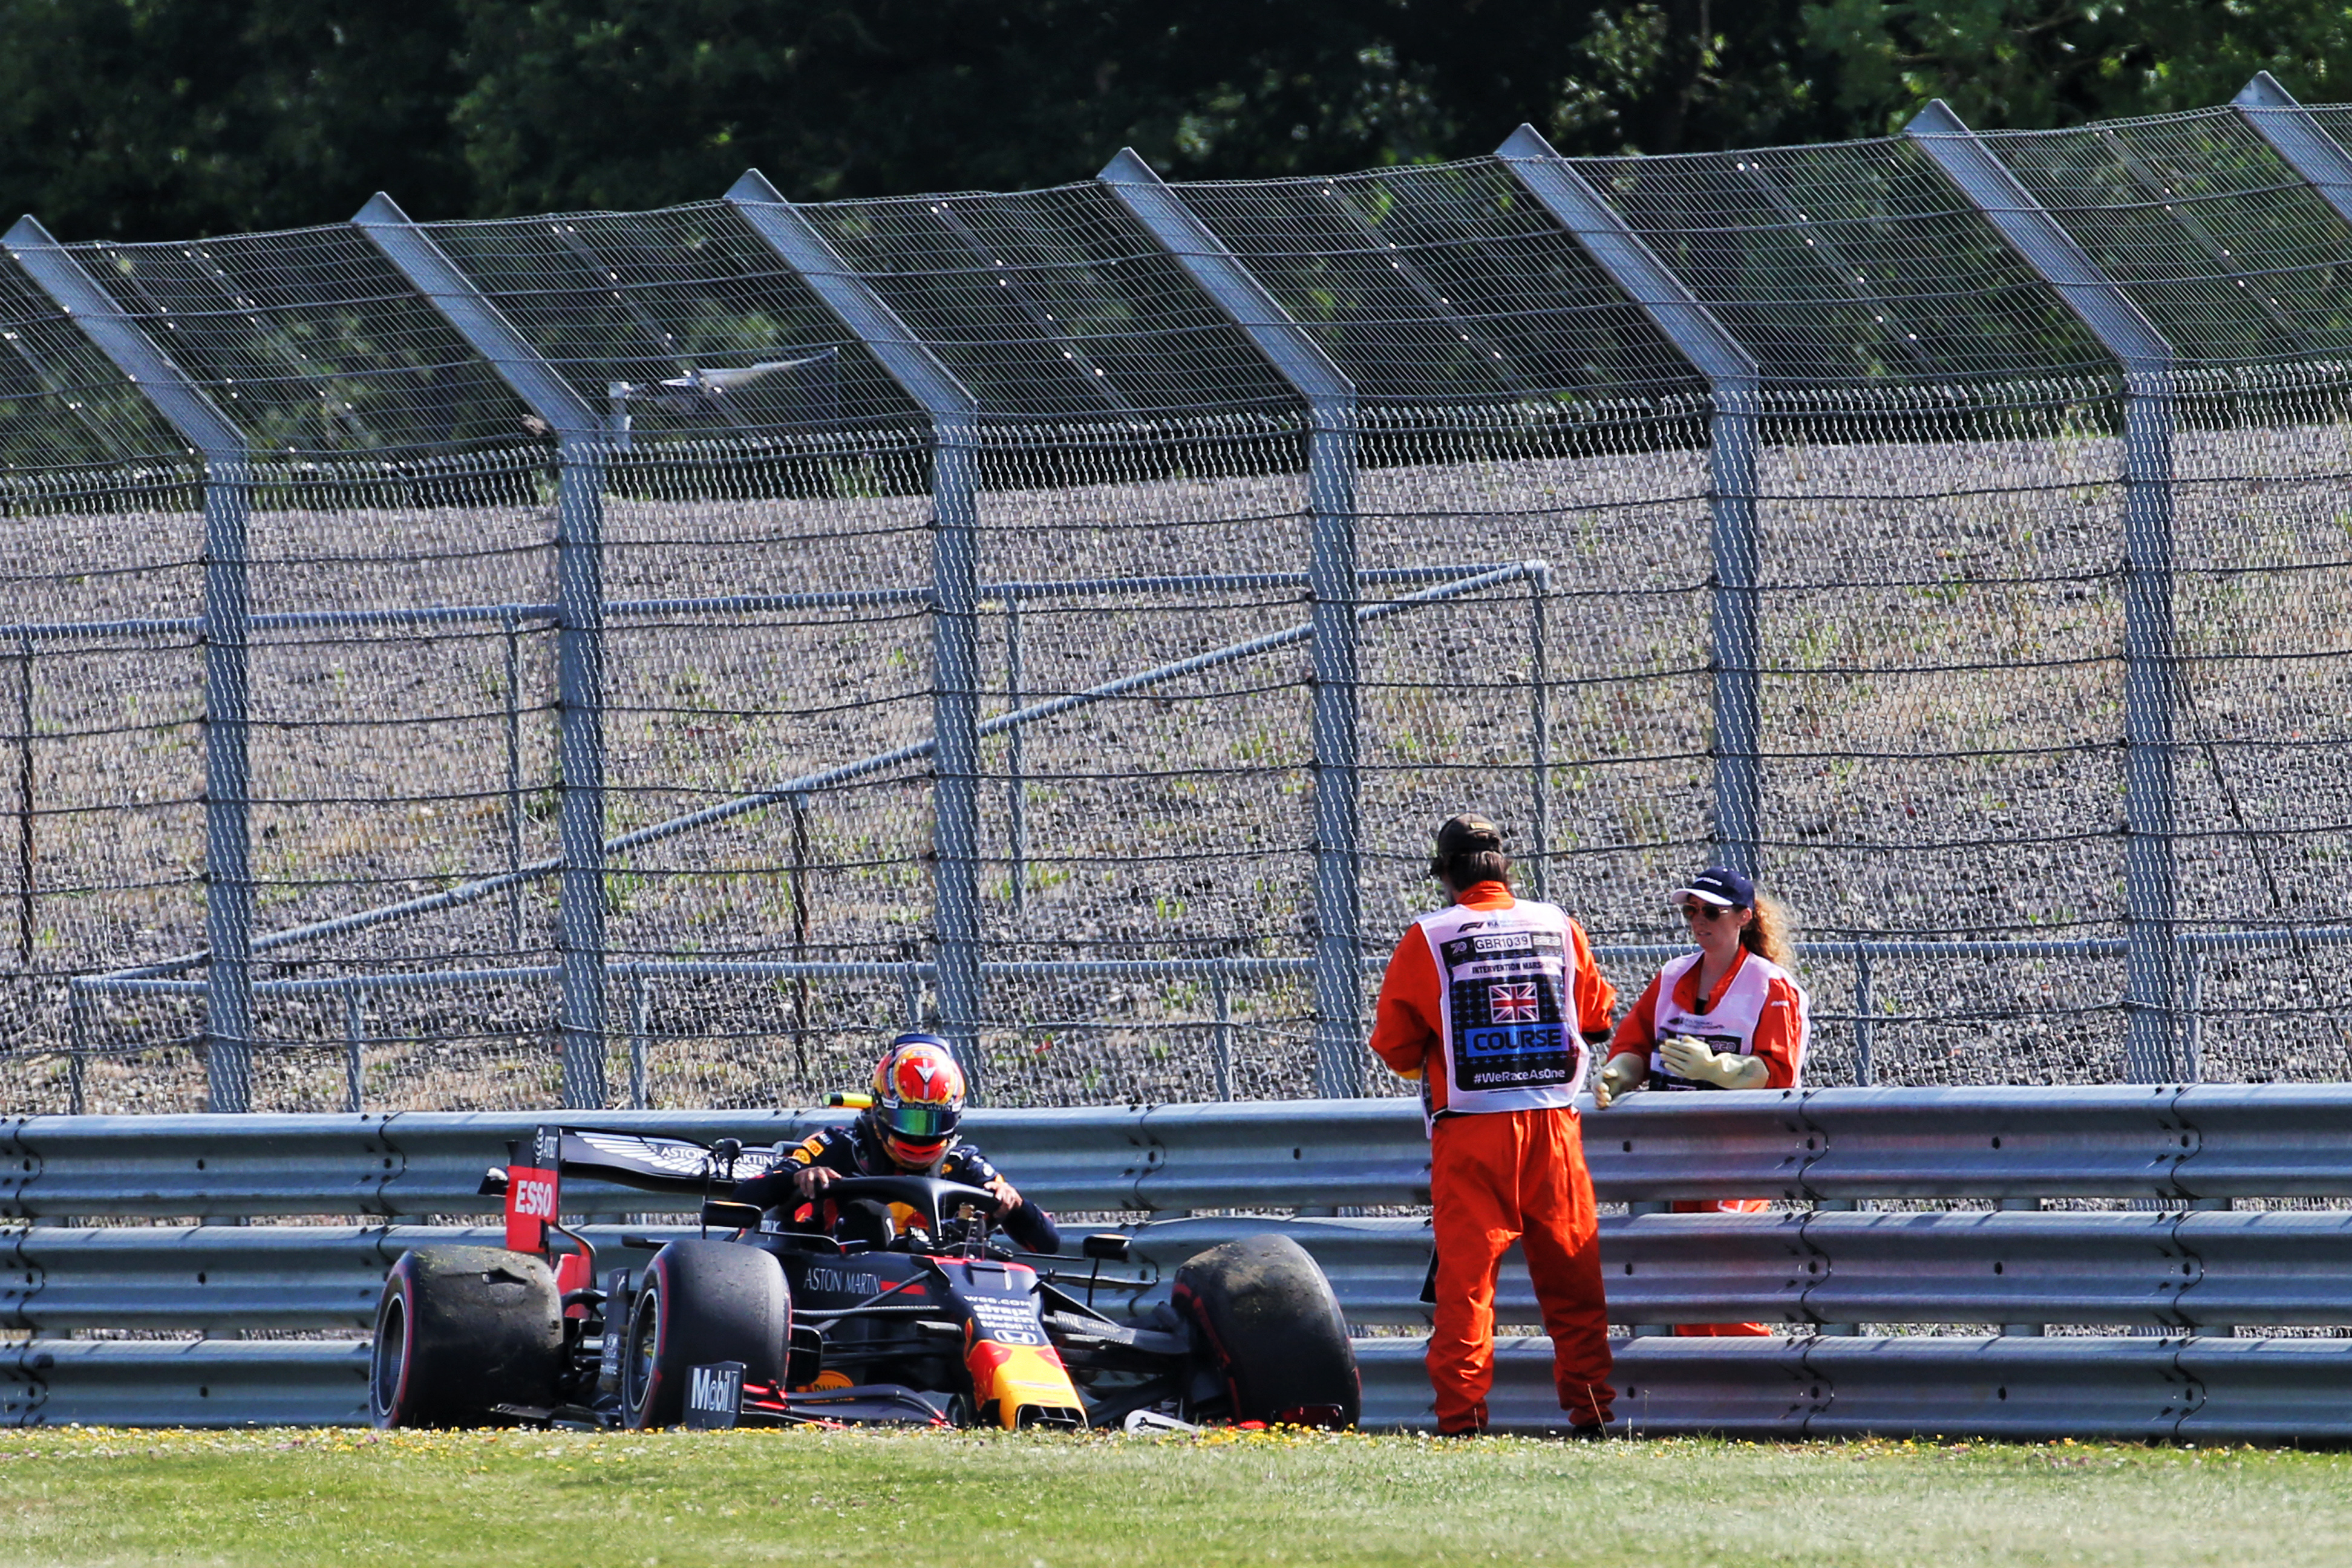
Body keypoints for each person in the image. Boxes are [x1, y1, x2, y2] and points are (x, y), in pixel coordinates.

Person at [1368, 813, 1618, 1437]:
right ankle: (1591, 1419)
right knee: (1574, 1284)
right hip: (1553, 1130)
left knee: (1467, 1291)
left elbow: (1395, 1049)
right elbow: (1596, 1015)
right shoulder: (1557, 925)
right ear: (1503, 868)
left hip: (1471, 1133)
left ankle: (1462, 1423)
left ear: (1447, 876)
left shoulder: (1428, 936)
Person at [1593, 864, 1808, 1337]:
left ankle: (1749, 1393)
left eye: (1711, 911)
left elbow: (1776, 1073)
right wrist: (1616, 1076)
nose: (1699, 920)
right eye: (1691, 910)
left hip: (1741, 1158)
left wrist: (1716, 1068)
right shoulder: (1671, 977)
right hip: (1673, 1154)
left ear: (1744, 918)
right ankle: (1699, 1397)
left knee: (1727, 1282)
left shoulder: (1771, 987)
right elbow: (1635, 1046)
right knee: (1681, 1281)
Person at [732, 1034, 1062, 1255]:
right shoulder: (836, 1145)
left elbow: (1048, 1243)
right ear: (880, 1107)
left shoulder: (964, 1164)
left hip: (939, 1294)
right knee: (867, 1216)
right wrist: (797, 1179)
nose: (921, 1135)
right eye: (911, 1121)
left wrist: (1014, 1204)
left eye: (934, 1122)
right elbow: (745, 1197)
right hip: (837, 1288)